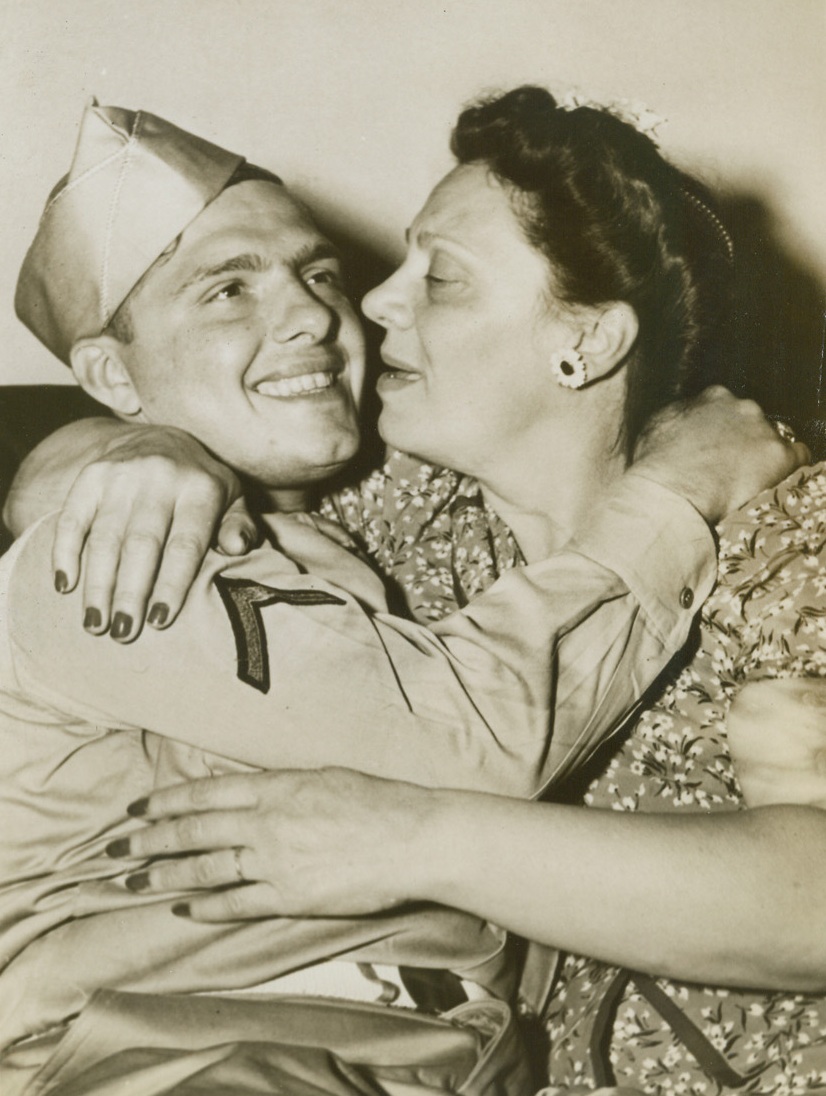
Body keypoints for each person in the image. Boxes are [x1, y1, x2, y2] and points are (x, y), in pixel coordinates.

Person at [0, 97, 792, 1095]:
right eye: (227, 291)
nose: (327, 311)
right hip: (172, 1057)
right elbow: (460, 738)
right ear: (112, 374)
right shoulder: (115, 556)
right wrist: (671, 497)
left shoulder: (376, 526)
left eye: (316, 271)